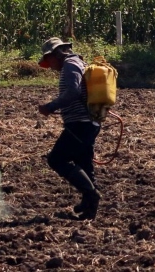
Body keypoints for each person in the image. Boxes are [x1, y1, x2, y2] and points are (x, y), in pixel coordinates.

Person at [37, 37, 102, 220]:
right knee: (83, 162)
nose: (49, 66)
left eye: (48, 60)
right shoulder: (78, 63)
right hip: (88, 122)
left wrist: (50, 107)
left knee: (56, 159)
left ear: (56, 54)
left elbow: (73, 92)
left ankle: (90, 194)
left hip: (80, 123)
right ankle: (89, 207)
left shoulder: (70, 66)